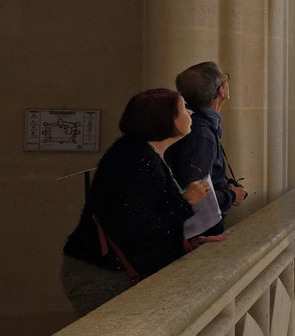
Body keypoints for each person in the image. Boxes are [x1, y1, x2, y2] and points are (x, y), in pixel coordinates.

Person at [61, 89, 219, 313]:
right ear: (165, 119)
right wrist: (186, 201)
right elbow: (135, 228)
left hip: (112, 271)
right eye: (183, 108)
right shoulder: (134, 160)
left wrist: (186, 245)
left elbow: (147, 219)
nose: (191, 112)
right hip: (104, 275)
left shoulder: (142, 152)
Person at [165, 61, 246, 236]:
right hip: (201, 233)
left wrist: (226, 186)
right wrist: (231, 196)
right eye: (225, 78)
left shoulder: (198, 125)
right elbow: (194, 194)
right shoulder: (201, 133)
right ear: (220, 91)